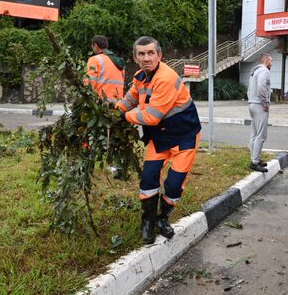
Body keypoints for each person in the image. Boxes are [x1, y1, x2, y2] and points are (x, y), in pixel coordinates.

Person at [117, 36, 201, 244]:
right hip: (159, 138)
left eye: (150, 53)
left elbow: (152, 117)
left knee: (173, 185)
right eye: (141, 54)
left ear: (159, 55)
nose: (146, 58)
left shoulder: (165, 78)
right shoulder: (140, 77)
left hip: (184, 138)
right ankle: (147, 222)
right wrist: (112, 111)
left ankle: (163, 219)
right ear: (135, 58)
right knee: (148, 179)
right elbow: (130, 99)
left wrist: (124, 117)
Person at [247, 53, 272, 173]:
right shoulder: (264, 71)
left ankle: (254, 158)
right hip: (259, 105)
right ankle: (255, 161)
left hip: (252, 104)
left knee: (254, 133)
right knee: (261, 135)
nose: (271, 64)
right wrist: (265, 102)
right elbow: (262, 86)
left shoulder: (253, 72)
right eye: (271, 61)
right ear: (266, 61)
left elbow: (249, 89)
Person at [86, 35, 125, 103]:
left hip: (102, 102)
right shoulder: (118, 61)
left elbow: (89, 83)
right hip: (118, 102)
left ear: (95, 45)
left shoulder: (95, 60)